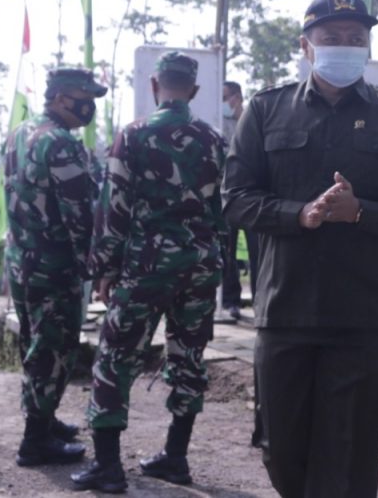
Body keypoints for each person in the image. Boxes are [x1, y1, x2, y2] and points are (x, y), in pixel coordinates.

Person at [222, 0, 378, 498]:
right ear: (306, 45)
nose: (345, 45)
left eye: (355, 38)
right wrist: (300, 213)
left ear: (368, 47)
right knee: (281, 447)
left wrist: (360, 212)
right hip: (285, 309)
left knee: (351, 454)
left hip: (362, 316)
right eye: (331, 37)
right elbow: (235, 200)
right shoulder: (265, 110)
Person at [71, 52, 227, 492]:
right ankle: (175, 458)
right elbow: (221, 209)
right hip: (199, 265)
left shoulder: (134, 135)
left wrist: (103, 267)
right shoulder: (214, 139)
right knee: (189, 357)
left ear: (155, 86)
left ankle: (108, 466)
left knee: (116, 357)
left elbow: (113, 206)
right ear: (192, 91)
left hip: (146, 266)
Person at [5, 67, 107, 467]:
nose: (90, 107)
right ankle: (35, 442)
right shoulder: (61, 143)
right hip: (55, 265)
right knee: (53, 348)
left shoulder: (21, 132)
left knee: (36, 344)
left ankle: (42, 421)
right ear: (63, 97)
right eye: (86, 98)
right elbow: (81, 216)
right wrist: (97, 267)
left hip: (22, 262)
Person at [220, 80, 253, 320]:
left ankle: (261, 300)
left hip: (252, 196)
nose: (223, 103)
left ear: (237, 97)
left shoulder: (253, 118)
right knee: (227, 254)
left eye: (226, 98)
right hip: (227, 197)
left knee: (258, 251)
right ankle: (231, 302)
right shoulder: (219, 122)